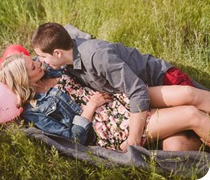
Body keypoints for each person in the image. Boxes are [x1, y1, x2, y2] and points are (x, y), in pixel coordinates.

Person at [30, 22, 209, 152]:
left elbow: (138, 91)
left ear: (57, 53)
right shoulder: (64, 63)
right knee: (176, 147)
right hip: (132, 97)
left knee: (188, 96)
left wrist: (134, 138)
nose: (41, 62)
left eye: (42, 57)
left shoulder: (96, 57)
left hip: (157, 81)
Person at [0, 53, 210, 152]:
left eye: (34, 59)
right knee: (191, 115)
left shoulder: (49, 69)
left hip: (119, 99)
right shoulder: (35, 111)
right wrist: (91, 106)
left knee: (187, 94)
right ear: (24, 80)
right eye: (32, 66)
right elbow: (72, 140)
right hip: (113, 125)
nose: (37, 62)